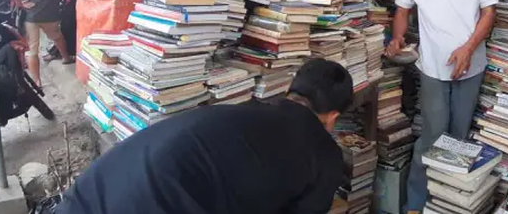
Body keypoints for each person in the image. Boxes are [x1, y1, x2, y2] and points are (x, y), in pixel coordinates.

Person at [56, 58, 354, 214]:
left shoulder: (237, 111)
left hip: (83, 199)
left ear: (290, 92)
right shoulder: (324, 155)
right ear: (333, 117)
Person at [386, 0, 498, 214]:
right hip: (433, 68)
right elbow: (402, 10)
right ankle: (416, 205)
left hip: (471, 67)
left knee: (458, 138)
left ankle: (446, 205)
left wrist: (468, 48)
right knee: (433, 135)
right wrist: (397, 38)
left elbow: (489, 13)